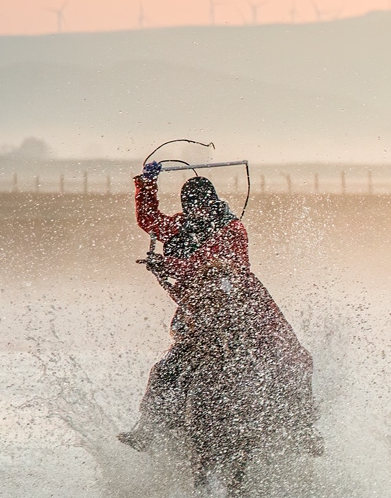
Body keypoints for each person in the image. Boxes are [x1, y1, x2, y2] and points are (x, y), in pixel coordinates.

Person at [121, 163, 322, 455]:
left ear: (213, 202)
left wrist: (168, 265)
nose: (197, 210)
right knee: (165, 370)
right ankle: (150, 427)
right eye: (192, 206)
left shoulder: (232, 229)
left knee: (294, 358)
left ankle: (304, 430)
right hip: (200, 308)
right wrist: (147, 184)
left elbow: (209, 261)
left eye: (202, 204)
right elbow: (151, 221)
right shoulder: (181, 225)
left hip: (244, 306)